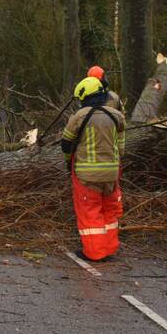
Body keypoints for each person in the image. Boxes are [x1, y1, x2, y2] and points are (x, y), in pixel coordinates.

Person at [61, 76, 126, 262]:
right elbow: (121, 146)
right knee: (109, 211)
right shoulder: (116, 115)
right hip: (112, 174)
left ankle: (95, 252)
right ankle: (109, 247)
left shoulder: (79, 117)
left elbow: (66, 144)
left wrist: (68, 162)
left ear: (84, 97)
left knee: (90, 212)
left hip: (87, 174)